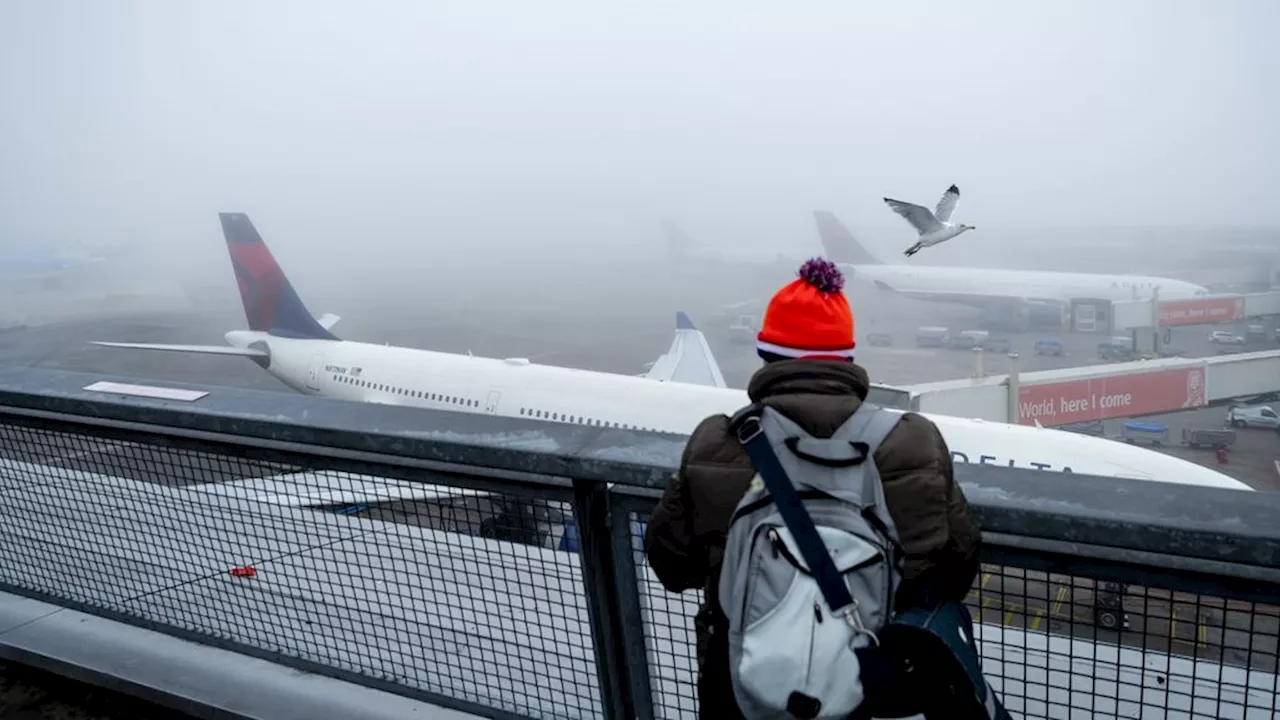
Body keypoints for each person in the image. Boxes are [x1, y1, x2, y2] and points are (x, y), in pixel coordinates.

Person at [644, 258, 982, 718]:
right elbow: (956, 569)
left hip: (743, 684)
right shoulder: (913, 440)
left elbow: (671, 565)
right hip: (875, 684)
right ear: (845, 360)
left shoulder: (717, 441)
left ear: (767, 356)